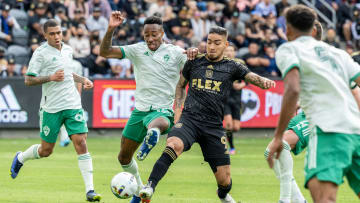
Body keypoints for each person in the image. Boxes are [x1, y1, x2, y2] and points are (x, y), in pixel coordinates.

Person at [139, 26, 275, 203]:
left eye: (217, 43)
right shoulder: (194, 61)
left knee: (225, 181)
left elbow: (250, 76)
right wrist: (178, 111)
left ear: (225, 45)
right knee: (173, 144)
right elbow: (180, 85)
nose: (211, 46)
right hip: (190, 120)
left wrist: (262, 81)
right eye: (209, 42)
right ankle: (149, 186)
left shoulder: (232, 66)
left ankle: (223, 195)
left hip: (213, 126)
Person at [99, 12, 198, 203]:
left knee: (158, 123)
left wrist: (193, 52)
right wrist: (111, 28)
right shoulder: (137, 50)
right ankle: (139, 190)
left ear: (162, 33)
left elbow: (196, 64)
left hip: (163, 109)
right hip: (139, 111)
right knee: (123, 158)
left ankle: (152, 133)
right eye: (147, 35)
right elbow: (105, 52)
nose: (150, 39)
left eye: (154, 34)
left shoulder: (176, 52)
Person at [266, 5, 360, 203]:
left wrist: (277, 136)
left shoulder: (289, 49)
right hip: (356, 131)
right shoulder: (338, 54)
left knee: (324, 198)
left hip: (328, 130)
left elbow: (292, 89)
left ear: (288, 29)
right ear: (314, 29)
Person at [9, 19, 101, 202]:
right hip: (51, 107)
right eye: (52, 33)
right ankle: (21, 157)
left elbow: (67, 73)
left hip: (72, 104)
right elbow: (28, 80)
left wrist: (83, 80)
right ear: (45, 35)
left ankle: (90, 190)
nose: (57, 36)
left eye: (58, 32)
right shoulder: (40, 53)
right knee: (46, 150)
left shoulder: (67, 50)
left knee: (81, 143)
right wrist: (50, 77)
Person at [223, 44, 246, 155]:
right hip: (225, 98)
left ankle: (222, 136)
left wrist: (243, 84)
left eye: (231, 50)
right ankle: (231, 147)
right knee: (228, 125)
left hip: (237, 98)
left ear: (234, 52)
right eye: (227, 50)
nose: (229, 53)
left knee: (236, 127)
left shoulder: (240, 63)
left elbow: (248, 77)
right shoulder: (221, 63)